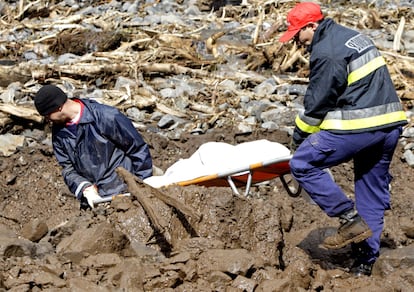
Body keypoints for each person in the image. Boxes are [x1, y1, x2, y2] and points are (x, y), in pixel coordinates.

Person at [279, 2, 407, 276]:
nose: (297, 42)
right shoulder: (353, 36)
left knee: (302, 164)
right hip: (390, 126)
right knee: (370, 193)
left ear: (311, 26)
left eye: (298, 34)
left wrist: (300, 137)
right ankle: (365, 263)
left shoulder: (327, 52)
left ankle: (348, 219)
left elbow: (317, 103)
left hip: (361, 126)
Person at [34, 84, 153, 210]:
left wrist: (143, 185)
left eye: (47, 116)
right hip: (96, 199)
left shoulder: (106, 116)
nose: (48, 120)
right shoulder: (59, 134)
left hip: (125, 189)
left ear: (57, 107)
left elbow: (137, 149)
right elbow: (67, 168)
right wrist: (84, 188)